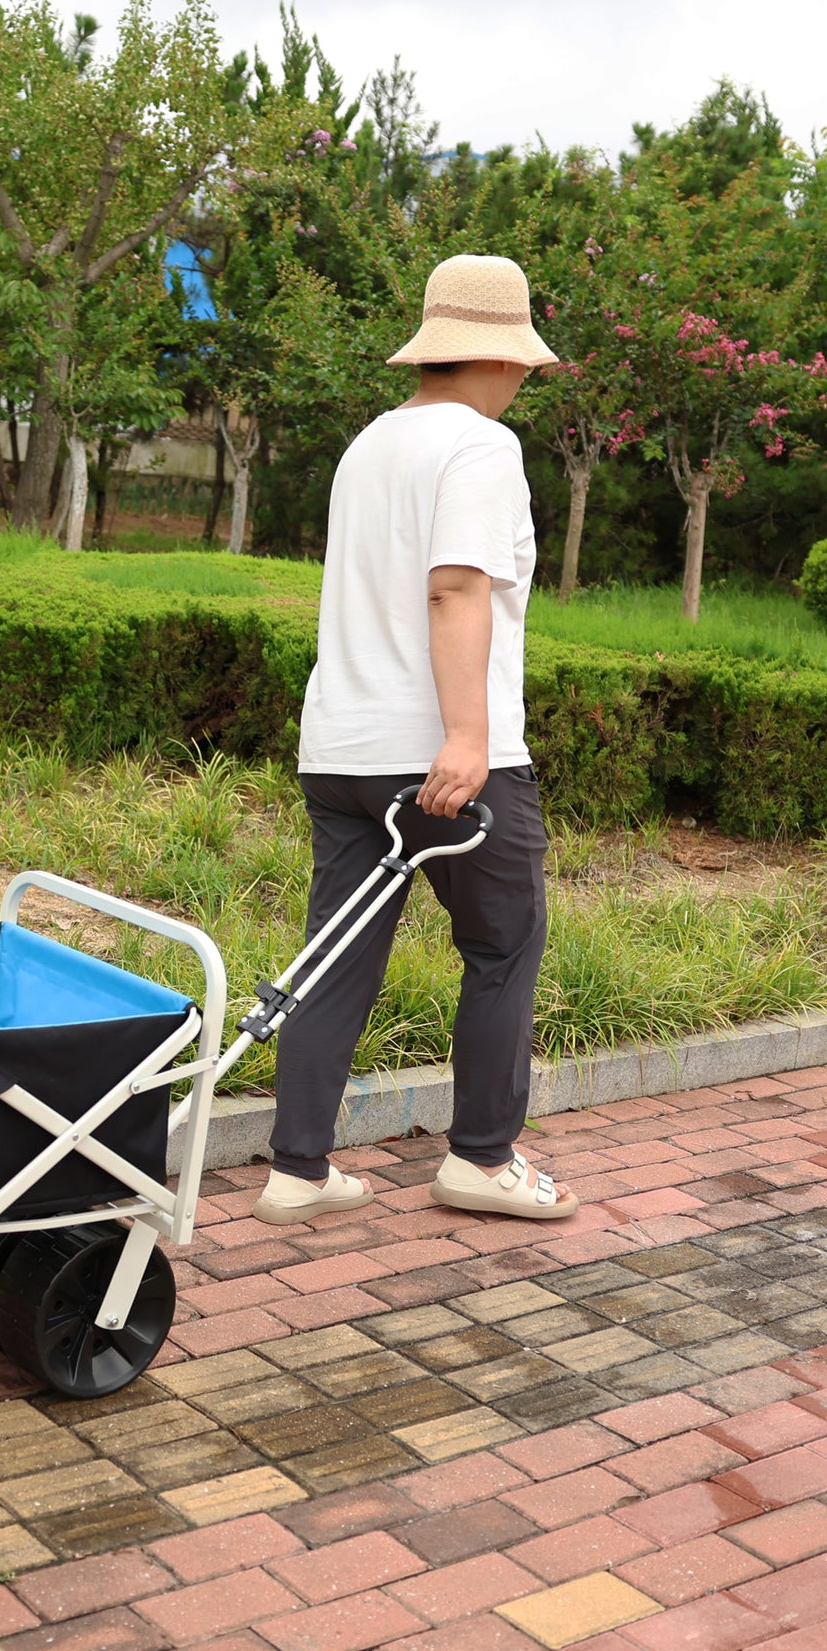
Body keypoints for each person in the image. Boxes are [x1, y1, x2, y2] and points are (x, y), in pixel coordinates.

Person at [255, 253, 578, 1226]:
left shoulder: (371, 442)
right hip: (438, 756)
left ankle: (297, 1168)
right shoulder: (479, 449)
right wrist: (468, 734)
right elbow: (454, 585)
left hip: (339, 749)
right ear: (499, 356)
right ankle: (479, 1159)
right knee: (503, 941)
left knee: (334, 954)